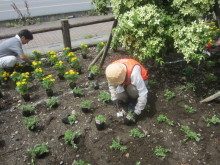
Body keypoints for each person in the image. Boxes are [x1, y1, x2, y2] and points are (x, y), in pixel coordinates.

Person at [105, 58, 149, 124]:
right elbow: (111, 85)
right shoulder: (111, 71)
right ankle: (128, 100)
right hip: (127, 81)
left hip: (142, 81)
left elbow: (143, 93)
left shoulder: (134, 73)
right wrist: (114, 98)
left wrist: (136, 113)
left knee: (133, 91)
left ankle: (134, 101)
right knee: (119, 95)